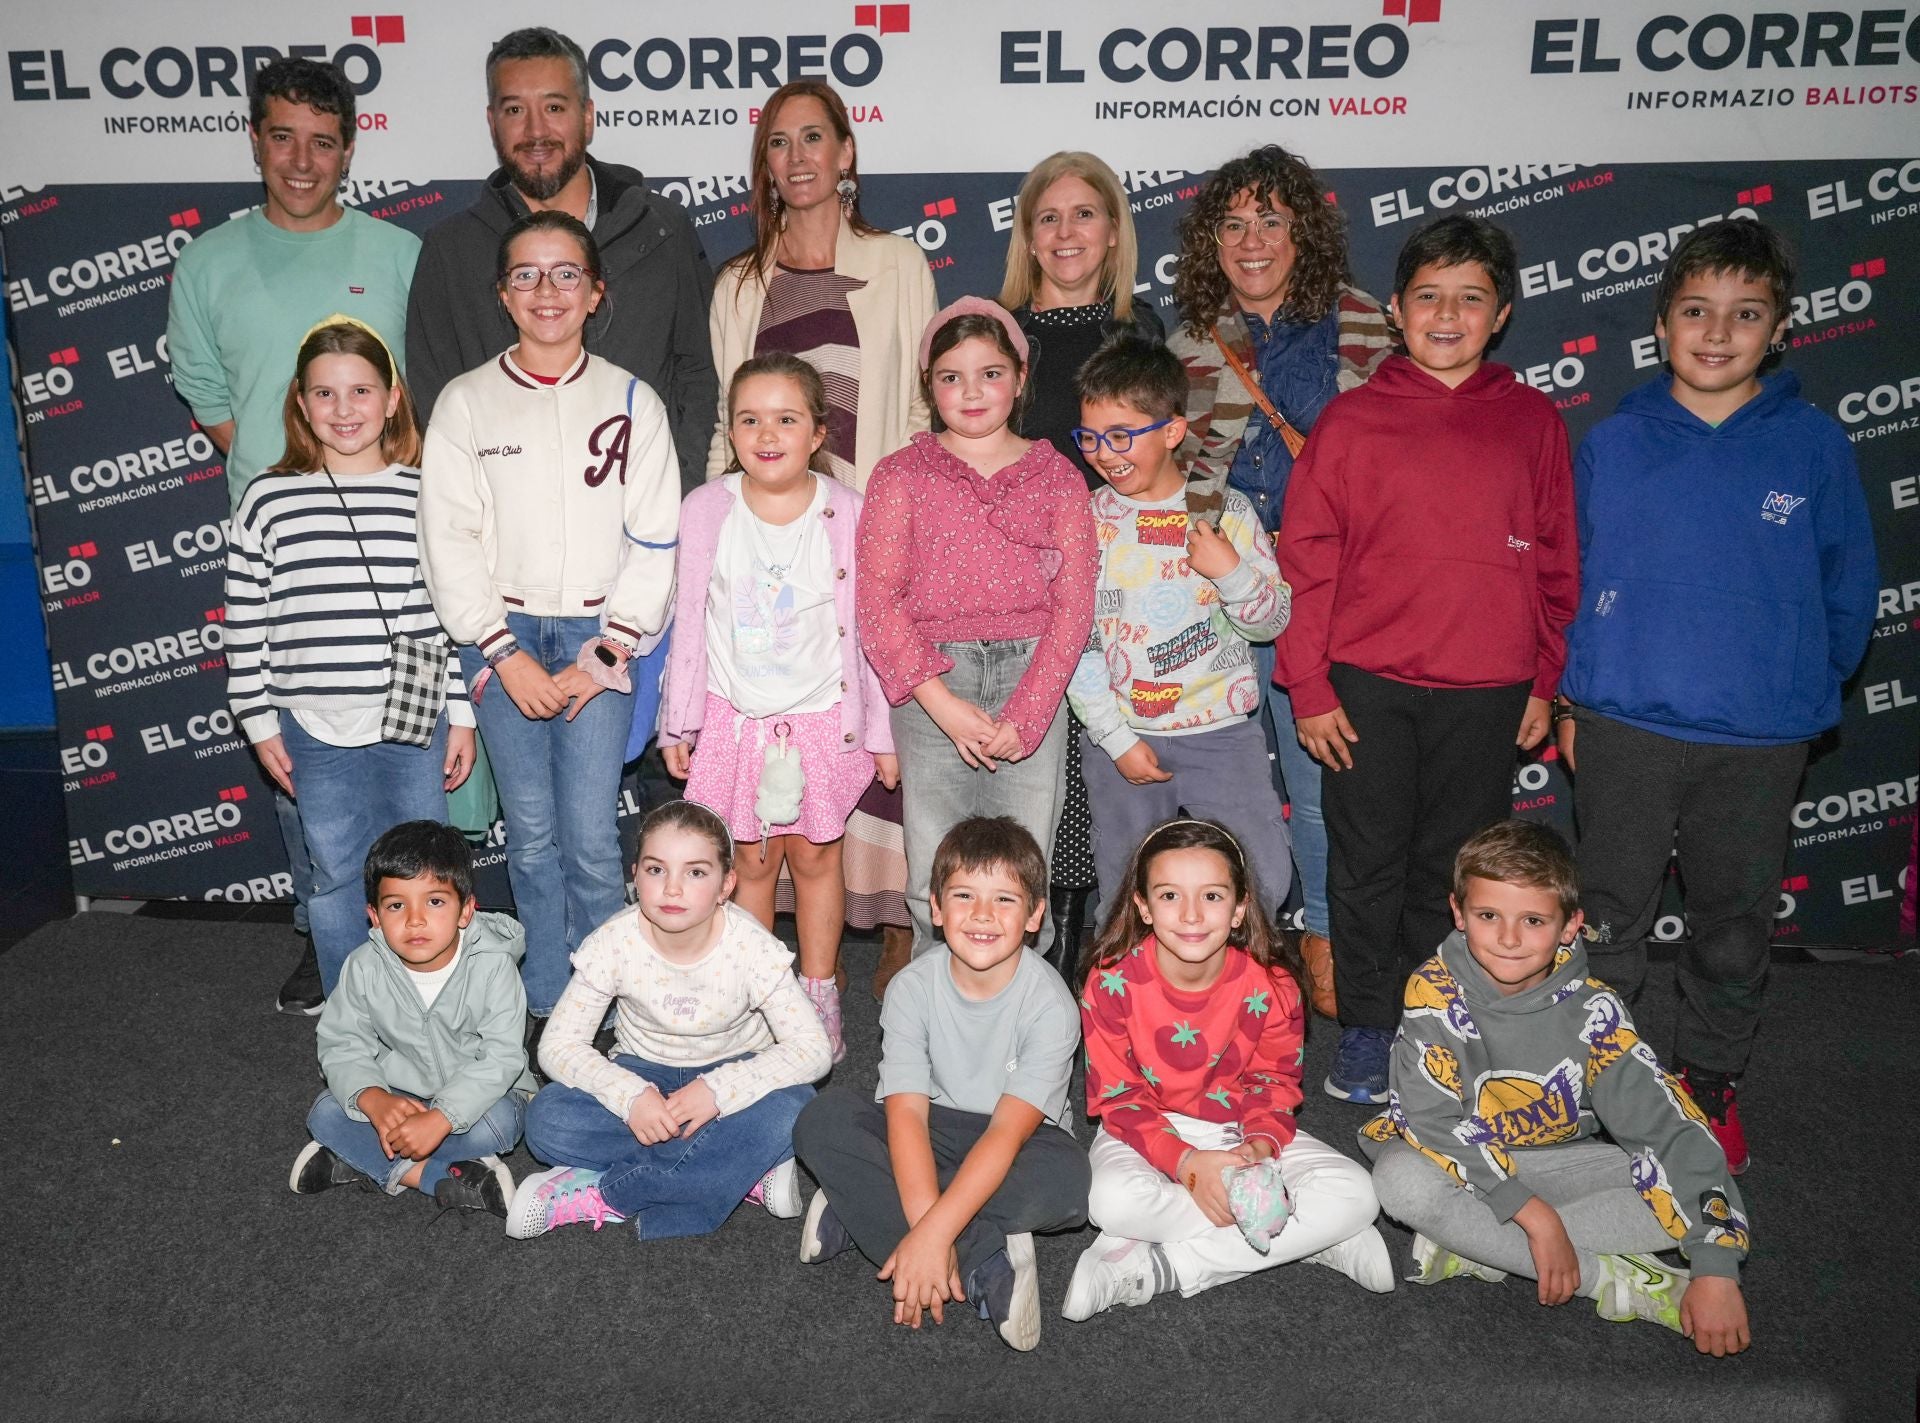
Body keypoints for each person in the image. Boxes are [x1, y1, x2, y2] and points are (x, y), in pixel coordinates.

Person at [1555, 218, 1877, 1174]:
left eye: (1745, 314)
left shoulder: (1813, 447)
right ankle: (1599, 1075)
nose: (1717, 331)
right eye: (1696, 310)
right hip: (1624, 724)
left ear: (1779, 330)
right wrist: (1575, 705)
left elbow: (1846, 587)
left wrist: (1793, 692)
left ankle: (1707, 1079)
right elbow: (1570, 583)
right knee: (1606, 914)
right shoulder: (1614, 443)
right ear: (1662, 323)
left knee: (1733, 924)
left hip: (1759, 738)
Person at [1276, 214, 1579, 1105]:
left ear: (1502, 313)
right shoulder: (1352, 421)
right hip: (1365, 686)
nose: (1448, 315)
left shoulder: (1531, 423)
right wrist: (1310, 685)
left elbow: (1559, 559)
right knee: (1364, 861)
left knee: (1452, 867)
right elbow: (1306, 562)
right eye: (1429, 297)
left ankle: (1431, 1018)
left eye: (1470, 298)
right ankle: (1369, 1026)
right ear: (1399, 312)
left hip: (1488, 693)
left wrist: (1545, 679)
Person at [169, 56, 421, 1014]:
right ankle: (328, 947)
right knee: (301, 772)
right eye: (283, 137)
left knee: (402, 778)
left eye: (323, 140)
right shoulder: (209, 262)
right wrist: (297, 473)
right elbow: (211, 398)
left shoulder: (398, 255)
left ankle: (418, 951)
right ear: (256, 139)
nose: (302, 159)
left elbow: (418, 386)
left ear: (350, 147)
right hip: (287, 549)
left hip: (389, 546)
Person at [705, 79, 939, 999]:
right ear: (763, 164)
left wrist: (912, 522)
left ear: (847, 154)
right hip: (769, 542)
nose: (797, 157)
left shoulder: (896, 262)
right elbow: (730, 424)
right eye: (778, 142)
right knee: (783, 716)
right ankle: (789, 946)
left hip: (868, 528)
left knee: (876, 722)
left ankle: (890, 914)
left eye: (814, 138)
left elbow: (922, 403)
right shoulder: (738, 283)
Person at [418, 211, 679, 1025]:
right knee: (528, 837)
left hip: (602, 637)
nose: (547, 290)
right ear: (502, 294)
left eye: (567, 272)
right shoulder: (465, 404)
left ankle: (607, 1010)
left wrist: (604, 651)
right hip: (506, 639)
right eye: (525, 275)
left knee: (594, 841)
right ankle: (545, 1010)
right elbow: (447, 539)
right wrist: (503, 654)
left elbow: (657, 538)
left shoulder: (634, 401)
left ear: (596, 292)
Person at [1361, 821, 1754, 1356]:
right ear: (1458, 912)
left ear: (1571, 926)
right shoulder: (1432, 989)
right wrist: (1536, 1218)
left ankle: (1480, 1244)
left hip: (1556, 1164)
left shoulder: (1596, 1014)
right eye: (1488, 916)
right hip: (1454, 1157)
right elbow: (1429, 1121)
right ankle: (1608, 1279)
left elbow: (1670, 1127)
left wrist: (1716, 1269)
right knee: (1399, 1182)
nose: (1508, 938)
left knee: (1676, 1184)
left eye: (1534, 920)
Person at [1168, 145, 1395, 1023]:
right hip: (1214, 590)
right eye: (1233, 224)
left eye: (1271, 220)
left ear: (1305, 231)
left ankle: (1326, 936)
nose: (1251, 240)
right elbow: (1171, 468)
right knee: (1223, 784)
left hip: (1328, 589)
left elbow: (1378, 461)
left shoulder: (1364, 323)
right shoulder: (1190, 334)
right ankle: (1232, 948)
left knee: (1314, 778)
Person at [224, 318, 475, 998]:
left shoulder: (425, 492)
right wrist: (258, 720)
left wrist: (461, 715)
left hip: (411, 715)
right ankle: (352, 1018)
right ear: (301, 404)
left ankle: (428, 1007)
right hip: (311, 722)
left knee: (421, 873)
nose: (344, 410)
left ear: (392, 397)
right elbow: (245, 619)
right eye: (325, 394)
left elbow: (443, 614)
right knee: (335, 873)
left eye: (361, 390)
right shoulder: (268, 500)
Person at [659, 353, 899, 1063]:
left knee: (819, 860)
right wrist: (681, 720)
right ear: (730, 432)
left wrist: (882, 731)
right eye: (750, 419)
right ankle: (762, 996)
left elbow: (874, 627)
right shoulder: (706, 509)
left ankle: (818, 989)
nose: (768, 433)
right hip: (737, 720)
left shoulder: (849, 512)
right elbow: (690, 623)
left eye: (787, 418)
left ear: (818, 430)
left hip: (826, 719)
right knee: (754, 866)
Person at [1062, 819, 1391, 1321]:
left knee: (1359, 1195)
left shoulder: (1272, 985)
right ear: (1143, 907)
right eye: (1170, 895)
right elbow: (1120, 1098)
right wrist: (1186, 1165)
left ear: (1239, 909)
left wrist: (1256, 1148)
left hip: (1239, 1129)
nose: (1192, 914)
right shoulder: (1110, 983)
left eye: (1212, 896)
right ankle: (1301, 1235)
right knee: (1109, 1202)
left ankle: (1159, 1266)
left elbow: (1273, 1085)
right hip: (1150, 1130)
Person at [856, 300, 1098, 969]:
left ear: (1021, 379)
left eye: (990, 373)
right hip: (932, 682)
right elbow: (876, 603)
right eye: (951, 376)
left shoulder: (1057, 477)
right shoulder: (900, 475)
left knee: (1025, 870)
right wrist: (939, 702)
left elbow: (1074, 605)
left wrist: (1027, 711)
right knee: (937, 872)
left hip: (1033, 682)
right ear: (928, 386)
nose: (970, 391)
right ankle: (939, 1038)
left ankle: (1019, 1046)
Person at [792, 817, 1090, 1352]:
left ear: (1035, 916)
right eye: (963, 896)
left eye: (1004, 899)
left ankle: (862, 1207)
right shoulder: (911, 987)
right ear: (934, 908)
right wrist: (940, 1233)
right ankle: (981, 1263)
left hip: (1019, 1140)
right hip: (930, 1128)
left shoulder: (1051, 1004)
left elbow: (1005, 1133)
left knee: (1068, 1185)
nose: (981, 915)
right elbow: (906, 1113)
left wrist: (929, 1233)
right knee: (824, 1116)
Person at [405, 27, 716, 493]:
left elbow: (699, 372)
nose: (536, 132)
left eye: (554, 107)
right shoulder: (451, 251)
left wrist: (680, 493)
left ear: (587, 117)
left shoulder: (661, 229)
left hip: (645, 523)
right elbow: (436, 405)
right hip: (506, 539)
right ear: (492, 122)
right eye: (515, 110)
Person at [505, 802, 830, 1240]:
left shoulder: (752, 948)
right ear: (635, 876)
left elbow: (812, 1050)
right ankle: (741, 1168)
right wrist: (630, 1096)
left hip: (735, 1071)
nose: (672, 889)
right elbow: (558, 1046)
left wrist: (719, 1090)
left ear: (725, 885)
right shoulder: (613, 943)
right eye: (657, 870)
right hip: (644, 1073)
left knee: (798, 1108)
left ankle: (610, 1194)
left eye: (695, 873)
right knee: (547, 1121)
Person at [998, 149, 1167, 967]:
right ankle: (1036, 944)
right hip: (1021, 579)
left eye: (1084, 215)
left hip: (1124, 577)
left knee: (1104, 765)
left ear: (1112, 233)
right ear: (1029, 238)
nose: (1067, 233)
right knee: (1040, 768)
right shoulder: (999, 335)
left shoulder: (1141, 333)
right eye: (1049, 217)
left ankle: (1096, 945)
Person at [1066, 336, 1293, 925]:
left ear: (1171, 431)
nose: (1103, 453)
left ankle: (1250, 996)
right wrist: (1115, 739)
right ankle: (1124, 1005)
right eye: (1089, 438)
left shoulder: (1227, 511)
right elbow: (1074, 646)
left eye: (1121, 436)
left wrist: (1233, 574)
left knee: (1261, 873)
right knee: (1123, 888)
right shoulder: (1084, 522)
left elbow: (1271, 623)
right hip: (1121, 739)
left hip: (1222, 734)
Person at [292, 820, 536, 1216]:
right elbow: (342, 1044)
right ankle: (437, 1177)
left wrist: (443, 1117)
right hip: (401, 1097)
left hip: (479, 1101)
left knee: (502, 1123)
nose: (415, 919)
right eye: (396, 905)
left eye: (435, 901)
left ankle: (360, 1158)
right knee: (324, 1112)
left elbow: (502, 1059)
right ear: (374, 915)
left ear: (466, 910)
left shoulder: (493, 966)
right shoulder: (363, 967)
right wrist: (373, 1099)